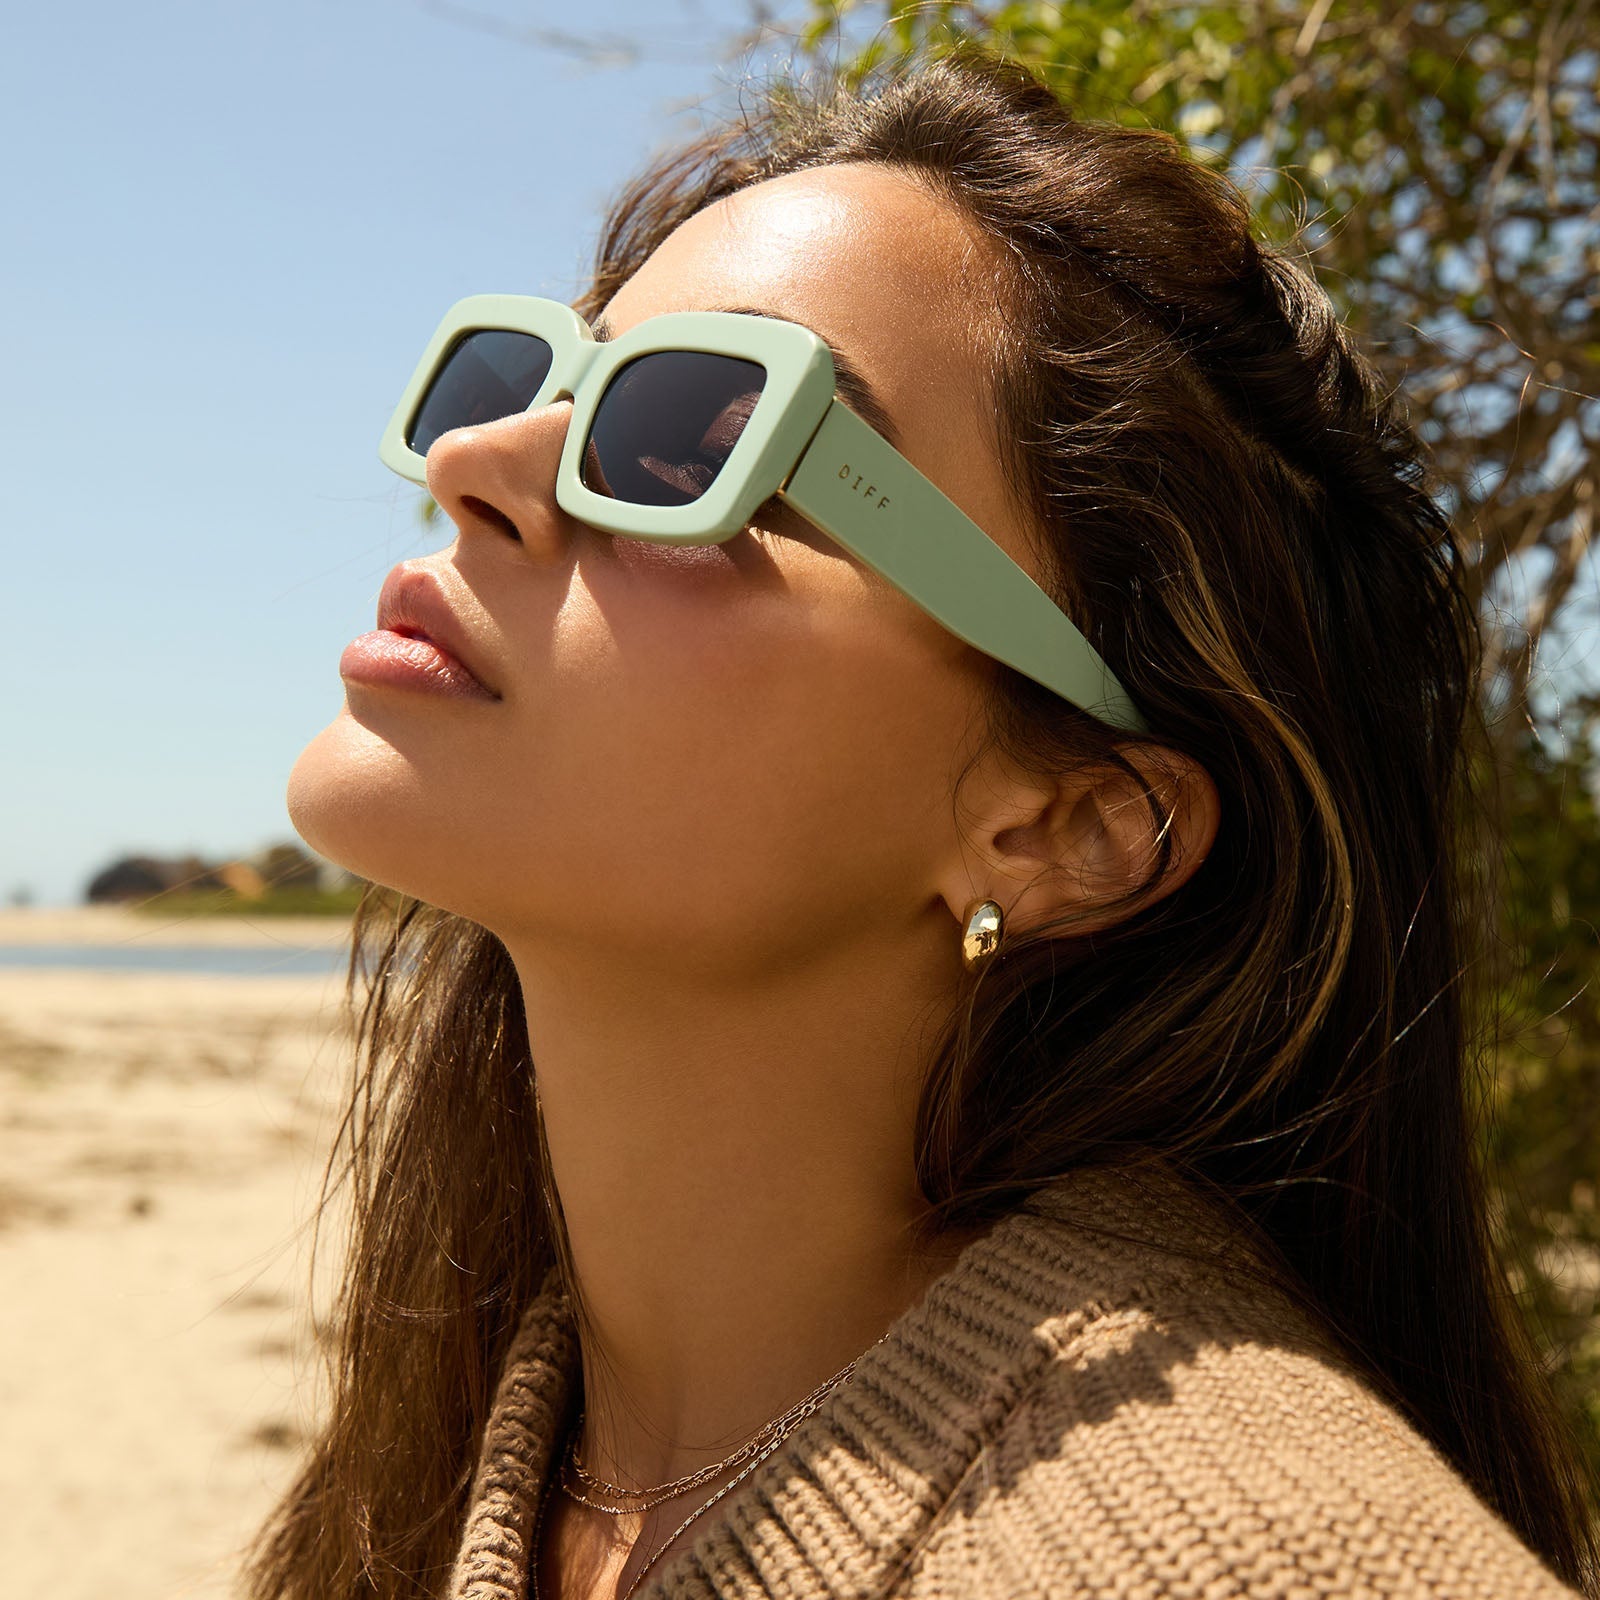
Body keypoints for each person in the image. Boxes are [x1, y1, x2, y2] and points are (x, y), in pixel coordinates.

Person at [251, 45, 1597, 1600]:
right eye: (537, 379)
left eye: (701, 444)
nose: (479, 465)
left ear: (1067, 826)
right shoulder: (482, 1428)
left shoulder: (1260, 1558)